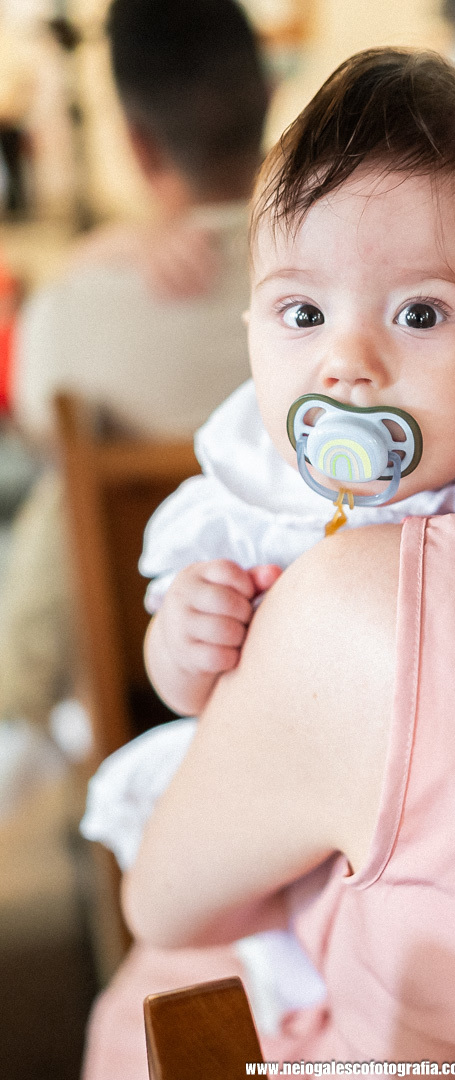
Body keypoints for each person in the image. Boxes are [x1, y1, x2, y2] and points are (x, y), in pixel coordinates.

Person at [79, 46, 455, 1053]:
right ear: (252, 327)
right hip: (294, 850)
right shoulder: (250, 499)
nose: (346, 362)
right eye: (302, 313)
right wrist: (188, 643)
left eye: (418, 313)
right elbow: (185, 692)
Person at [0, 0, 269, 746]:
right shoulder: (351, 287)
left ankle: (18, 719)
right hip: (340, 657)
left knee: (55, 498)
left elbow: (34, 430)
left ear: (136, 143)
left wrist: (93, 255)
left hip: (144, 692)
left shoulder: (71, 311)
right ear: (271, 101)